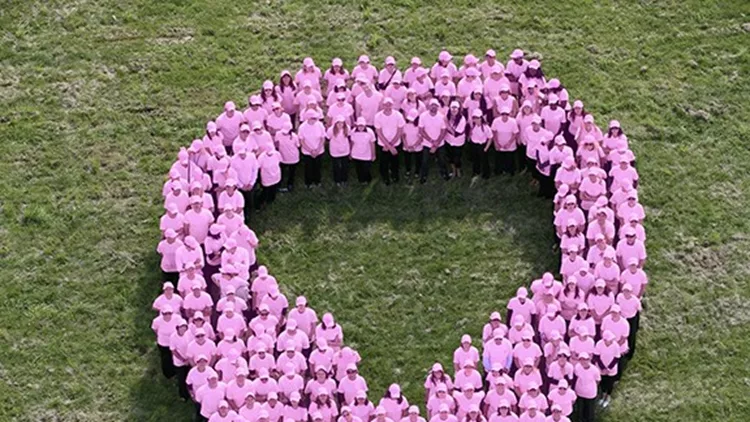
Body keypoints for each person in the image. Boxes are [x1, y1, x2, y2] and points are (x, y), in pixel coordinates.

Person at [374, 98, 405, 184]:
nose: (387, 106)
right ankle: (385, 176)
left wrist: (392, 145)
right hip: (383, 144)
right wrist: (388, 145)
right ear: (383, 105)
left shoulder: (398, 115)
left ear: (392, 105)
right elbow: (378, 132)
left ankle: (395, 175)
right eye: (385, 105)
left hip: (395, 143)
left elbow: (400, 130)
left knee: (395, 161)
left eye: (389, 104)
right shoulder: (378, 116)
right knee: (384, 161)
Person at [419, 99, 448, 183]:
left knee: (442, 160)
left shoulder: (442, 117)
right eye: (432, 105)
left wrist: (437, 143)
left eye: (436, 105)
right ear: (429, 106)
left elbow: (443, 131)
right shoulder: (423, 116)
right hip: (427, 143)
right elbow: (421, 130)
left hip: (440, 143)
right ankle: (423, 176)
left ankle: (444, 174)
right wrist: (431, 141)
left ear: (438, 107)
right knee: (425, 161)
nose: (434, 107)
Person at [299, 110, 326, 187]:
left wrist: (317, 150)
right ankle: (308, 183)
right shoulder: (302, 127)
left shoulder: (320, 125)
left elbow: (322, 138)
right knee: (308, 168)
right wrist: (310, 150)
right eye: (313, 118)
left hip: (319, 151)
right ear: (308, 118)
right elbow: (302, 141)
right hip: (307, 152)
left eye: (315, 118)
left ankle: (317, 181)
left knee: (317, 167)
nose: (315, 119)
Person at [152, 306, 178, 378]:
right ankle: (168, 374)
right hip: (163, 343)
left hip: (174, 342)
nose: (167, 315)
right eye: (165, 314)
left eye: (169, 313)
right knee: (165, 359)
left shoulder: (177, 319)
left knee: (174, 357)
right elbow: (155, 329)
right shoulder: (157, 321)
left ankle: (175, 371)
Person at [572, 353, 599, 422]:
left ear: (589, 360)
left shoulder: (595, 370)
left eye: (585, 359)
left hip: (590, 394)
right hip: (579, 392)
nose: (583, 361)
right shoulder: (577, 367)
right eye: (581, 360)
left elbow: (597, 380)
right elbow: (575, 376)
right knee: (580, 411)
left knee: (589, 412)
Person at [274, 121, 300, 192]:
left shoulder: (294, 136)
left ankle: (290, 184)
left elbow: (298, 145)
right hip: (282, 157)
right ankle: (279, 184)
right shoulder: (278, 134)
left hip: (293, 158)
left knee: (292, 172)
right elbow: (276, 143)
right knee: (281, 171)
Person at [350, 117, 377, 183]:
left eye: (362, 126)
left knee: (366, 168)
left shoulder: (370, 132)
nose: (361, 127)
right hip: (356, 154)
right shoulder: (353, 131)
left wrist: (373, 154)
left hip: (366, 154)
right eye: (359, 126)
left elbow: (372, 143)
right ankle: (361, 180)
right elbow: (352, 142)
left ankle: (368, 179)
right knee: (358, 168)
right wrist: (350, 153)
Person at [444, 101, 467, 178]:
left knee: (457, 158)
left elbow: (456, 134)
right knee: (450, 157)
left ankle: (459, 171)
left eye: (455, 108)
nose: (454, 110)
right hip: (448, 140)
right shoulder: (447, 117)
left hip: (458, 142)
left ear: (458, 109)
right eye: (452, 108)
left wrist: (447, 125)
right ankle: (453, 171)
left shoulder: (462, 119)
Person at [468, 110, 493, 179]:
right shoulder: (473, 126)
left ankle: (486, 174)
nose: (476, 120)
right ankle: (476, 172)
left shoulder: (486, 127)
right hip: (474, 145)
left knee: (484, 161)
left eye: (478, 118)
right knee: (475, 160)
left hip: (482, 145)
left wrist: (486, 148)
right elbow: (470, 135)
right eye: (475, 118)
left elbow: (490, 138)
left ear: (481, 118)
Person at [402, 109, 423, 180]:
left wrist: (414, 146)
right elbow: (403, 136)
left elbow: (421, 138)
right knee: (407, 159)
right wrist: (406, 145)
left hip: (417, 147)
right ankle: (408, 170)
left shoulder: (419, 127)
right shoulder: (404, 125)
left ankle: (417, 171)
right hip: (407, 146)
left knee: (418, 159)